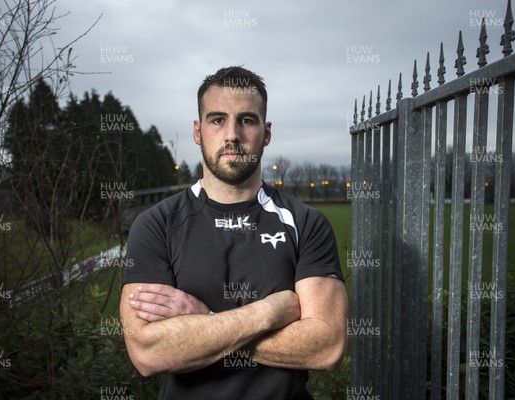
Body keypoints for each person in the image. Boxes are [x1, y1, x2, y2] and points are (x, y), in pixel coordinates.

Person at [120, 66, 349, 400]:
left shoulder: (306, 223)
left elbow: (327, 347)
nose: (232, 134)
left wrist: (203, 319)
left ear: (266, 133)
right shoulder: (156, 225)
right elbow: (148, 352)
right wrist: (270, 312)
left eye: (247, 120)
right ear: (198, 131)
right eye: (217, 119)